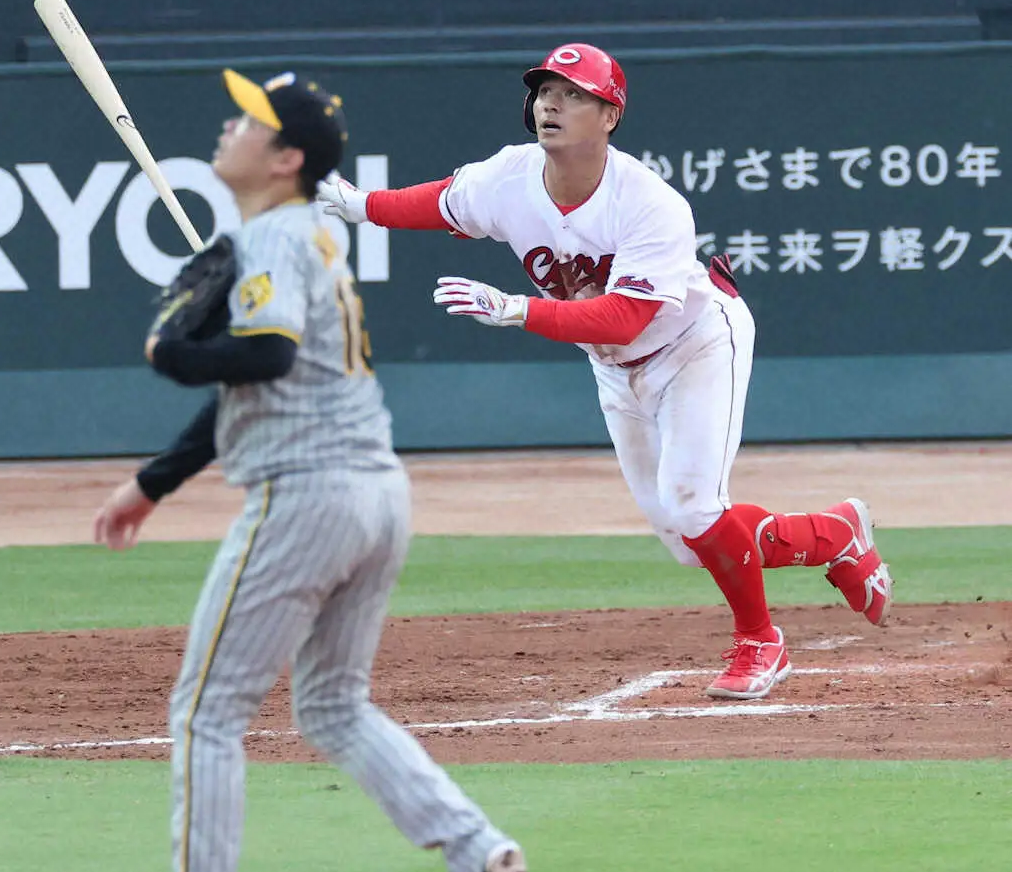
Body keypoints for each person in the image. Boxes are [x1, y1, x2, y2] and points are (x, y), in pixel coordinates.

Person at [94, 67, 532, 872]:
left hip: (306, 498)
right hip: (375, 492)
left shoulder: (273, 241)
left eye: (247, 121)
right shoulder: (300, 236)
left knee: (206, 713)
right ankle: (476, 850)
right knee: (332, 707)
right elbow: (261, 383)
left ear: (286, 157)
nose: (228, 127)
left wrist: (171, 346)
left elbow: (262, 355)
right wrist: (155, 482)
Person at [317, 43, 893, 700]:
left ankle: (761, 641)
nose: (551, 105)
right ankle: (834, 534)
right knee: (688, 538)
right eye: (545, 92)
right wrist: (353, 203)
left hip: (696, 345)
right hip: (615, 371)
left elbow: (623, 317)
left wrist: (518, 310)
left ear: (611, 115)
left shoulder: (650, 203)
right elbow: (439, 202)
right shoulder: (508, 178)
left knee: (693, 506)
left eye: (575, 95)